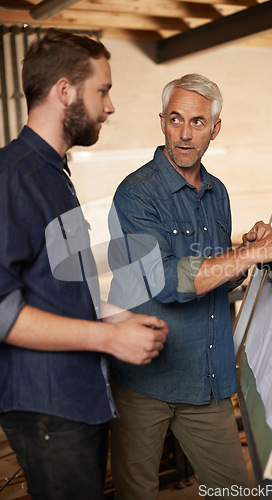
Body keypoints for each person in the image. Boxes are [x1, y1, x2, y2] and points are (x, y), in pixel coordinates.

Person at [108, 73, 272, 499]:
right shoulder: (136, 194)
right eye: (175, 120)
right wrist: (249, 255)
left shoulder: (217, 192)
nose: (185, 135)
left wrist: (253, 249)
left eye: (198, 123)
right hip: (144, 384)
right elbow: (167, 281)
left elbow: (216, 274)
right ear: (162, 122)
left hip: (206, 381)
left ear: (215, 128)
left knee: (232, 491)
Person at [0, 29, 168, 500]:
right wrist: (109, 337)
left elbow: (62, 282)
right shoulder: (12, 176)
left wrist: (116, 316)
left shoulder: (56, 173)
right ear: (65, 91)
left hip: (79, 398)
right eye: (103, 90)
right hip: (47, 405)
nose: (110, 106)